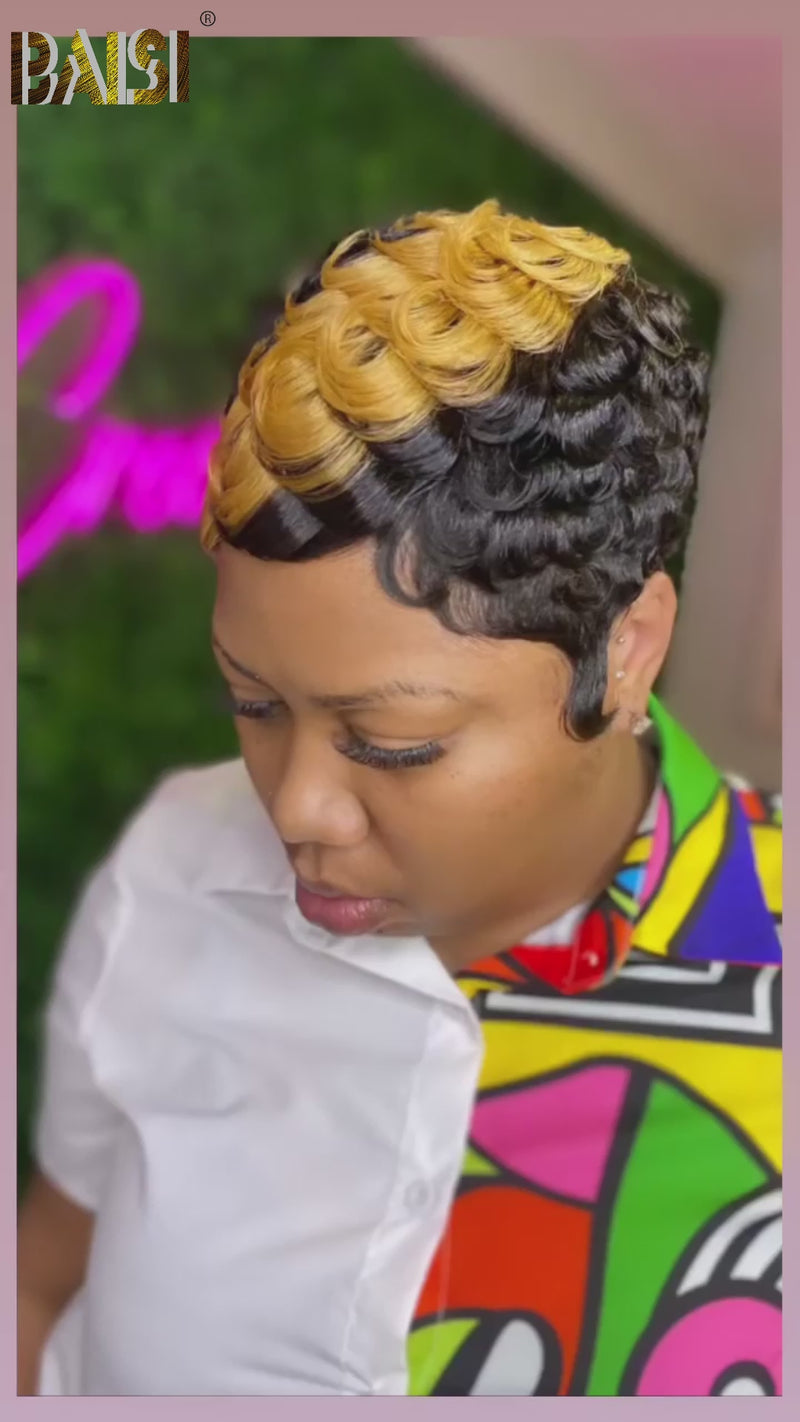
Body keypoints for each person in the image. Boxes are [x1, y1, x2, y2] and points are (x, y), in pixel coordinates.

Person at [18, 200, 782, 1396]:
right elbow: (40, 1279)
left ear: (625, 651)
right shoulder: (176, 864)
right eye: (252, 701)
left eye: (393, 744)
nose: (294, 812)